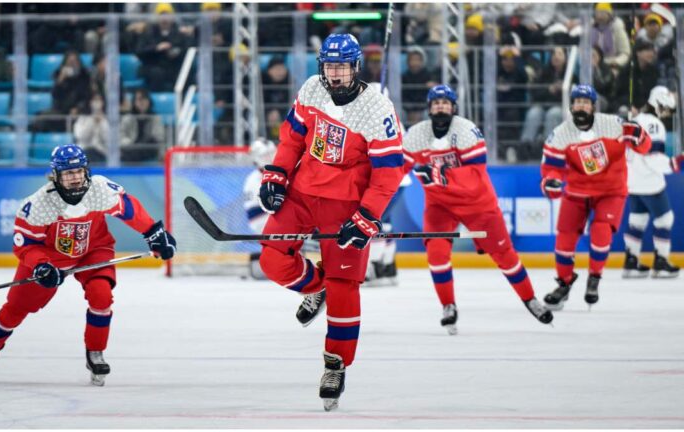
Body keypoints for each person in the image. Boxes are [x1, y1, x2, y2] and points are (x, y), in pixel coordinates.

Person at [256, 33, 404, 411]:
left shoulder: (377, 110)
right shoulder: (311, 89)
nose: (334, 74)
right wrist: (276, 175)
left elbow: (388, 173)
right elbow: (292, 140)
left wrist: (367, 216)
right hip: (303, 192)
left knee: (345, 288)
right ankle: (315, 285)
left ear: (355, 67)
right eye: (329, 66)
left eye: (341, 66)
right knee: (272, 259)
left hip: (346, 202)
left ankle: (335, 363)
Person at [0, 144, 176, 386]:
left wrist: (154, 233)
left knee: (101, 296)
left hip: (94, 249)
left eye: (79, 171)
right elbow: (25, 245)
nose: (75, 178)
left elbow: (128, 208)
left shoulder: (99, 188)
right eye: (69, 173)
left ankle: (95, 352)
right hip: (51, 257)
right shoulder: (38, 205)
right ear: (56, 176)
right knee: (15, 309)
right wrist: (41, 266)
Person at [403, 84, 553, 334]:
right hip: (439, 205)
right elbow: (395, 166)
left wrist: (438, 173)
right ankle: (448, 306)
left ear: (454, 107)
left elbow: (474, 176)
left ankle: (530, 299)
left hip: (478, 204)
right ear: (429, 108)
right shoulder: (416, 135)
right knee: (436, 254)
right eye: (436, 102)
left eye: (445, 102)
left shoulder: (466, 131)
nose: (440, 106)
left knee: (505, 255)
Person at [541, 84, 651, 311]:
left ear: (593, 106)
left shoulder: (613, 125)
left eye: (585, 102)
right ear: (571, 106)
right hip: (577, 192)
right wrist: (550, 181)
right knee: (564, 238)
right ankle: (564, 283)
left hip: (610, 191)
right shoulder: (561, 134)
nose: (581, 105)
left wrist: (639, 135)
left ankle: (594, 278)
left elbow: (643, 147)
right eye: (577, 101)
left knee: (601, 230)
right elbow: (551, 168)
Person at [624, 86, 684, 278]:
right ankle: (660, 261)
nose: (667, 114)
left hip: (632, 180)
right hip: (649, 181)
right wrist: (674, 163)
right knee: (664, 219)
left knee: (637, 220)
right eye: (667, 109)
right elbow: (652, 157)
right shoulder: (655, 125)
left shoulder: (634, 121)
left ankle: (631, 260)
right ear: (659, 104)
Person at [243, 138, 278, 280]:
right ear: (257, 158)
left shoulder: (269, 173)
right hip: (261, 219)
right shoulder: (255, 179)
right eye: (265, 155)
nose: (270, 158)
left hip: (267, 216)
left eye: (271, 153)